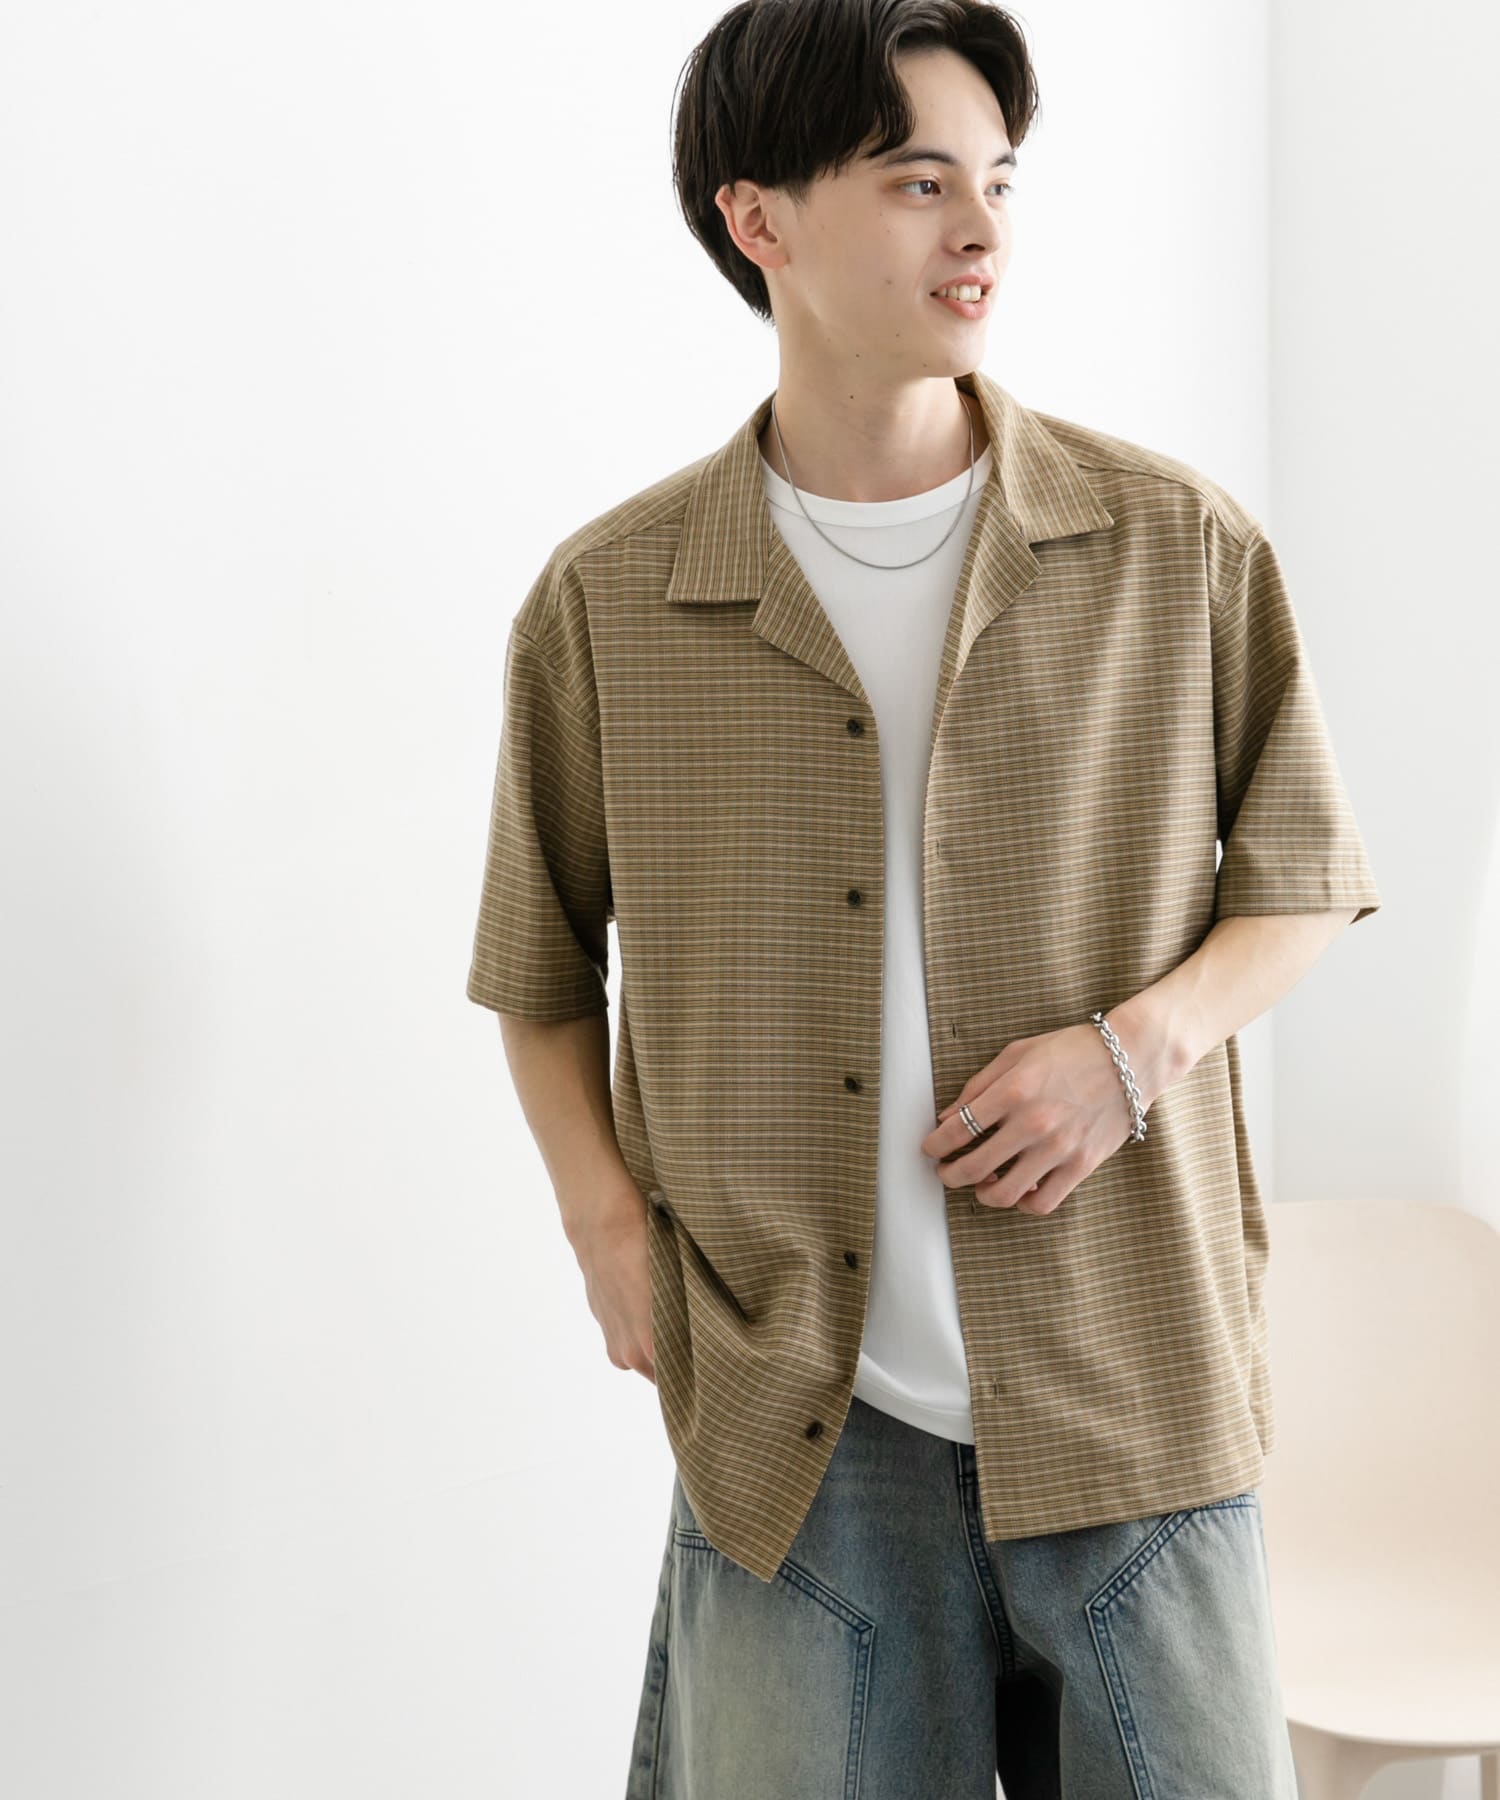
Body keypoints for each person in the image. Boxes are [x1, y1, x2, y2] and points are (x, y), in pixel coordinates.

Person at [466, 2, 1382, 1792]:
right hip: (801, 1426)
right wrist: (605, 1228)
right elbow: (539, 966)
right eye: (916, 182)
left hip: (1130, 1386)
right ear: (759, 219)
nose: (981, 230)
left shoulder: (1171, 545)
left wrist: (1131, 1051)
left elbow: (1301, 877)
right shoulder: (612, 602)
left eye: (999, 181)